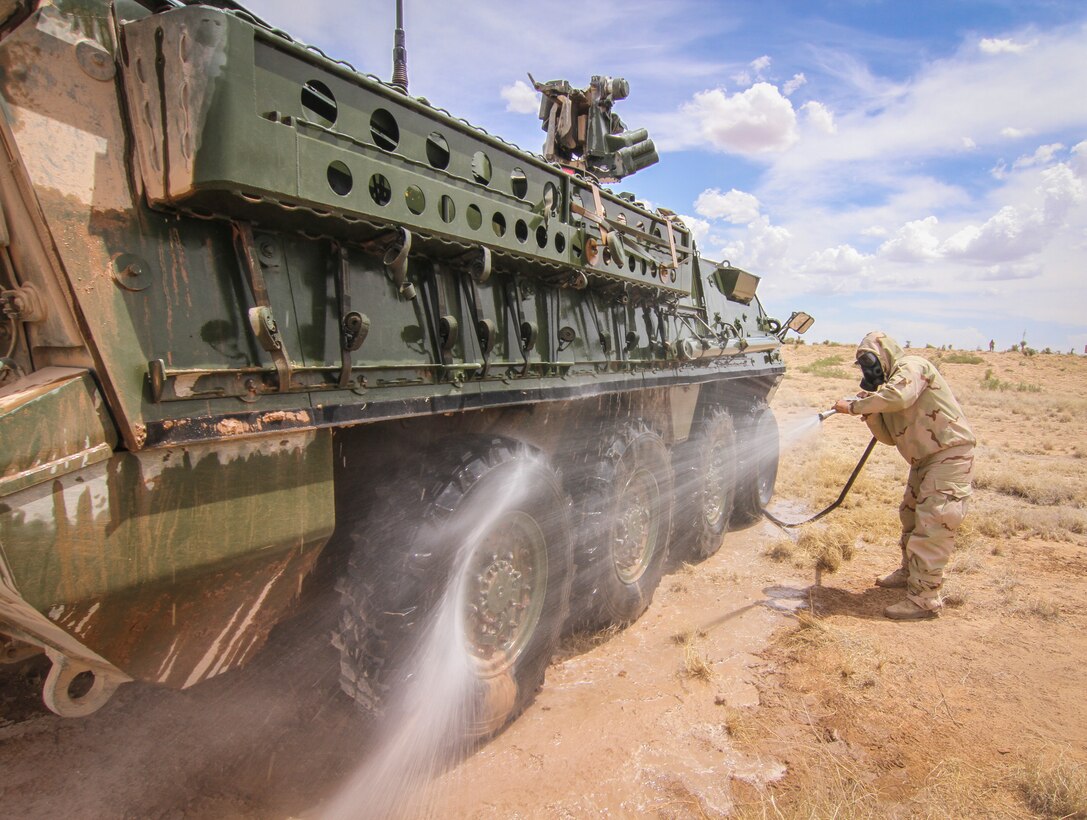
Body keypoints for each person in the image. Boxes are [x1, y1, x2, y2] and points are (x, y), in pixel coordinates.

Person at [832, 332, 975, 621]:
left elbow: (900, 396)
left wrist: (857, 407)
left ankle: (925, 599)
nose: (866, 369)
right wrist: (871, 414)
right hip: (924, 460)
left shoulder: (912, 366)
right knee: (910, 515)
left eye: (867, 361)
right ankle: (911, 573)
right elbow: (887, 437)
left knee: (934, 522)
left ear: (882, 354)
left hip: (948, 456)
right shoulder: (887, 391)